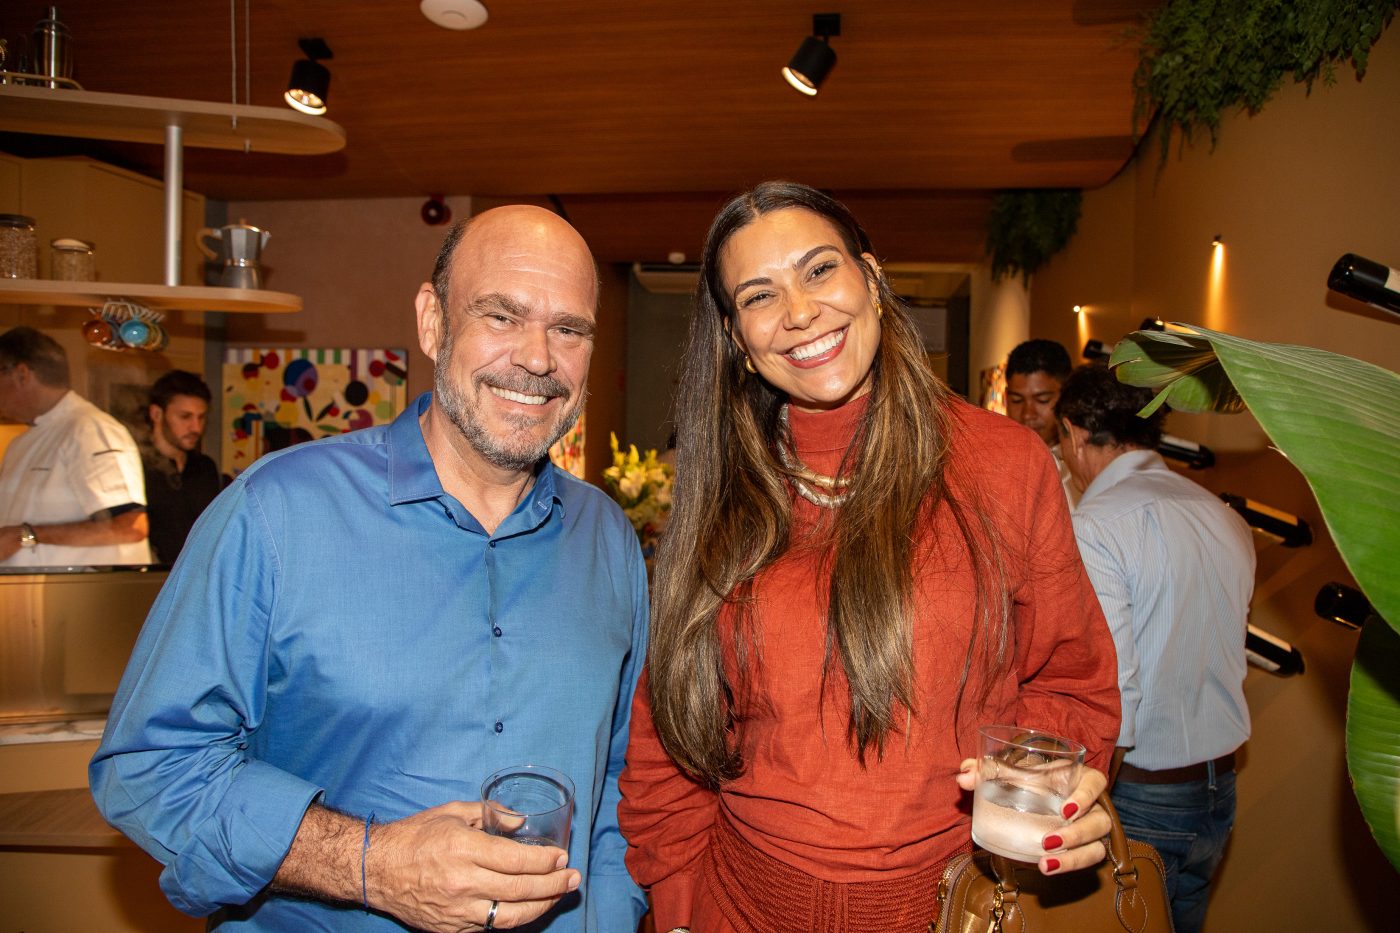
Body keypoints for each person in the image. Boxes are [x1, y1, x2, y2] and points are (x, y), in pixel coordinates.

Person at [91, 205, 649, 933]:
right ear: (431, 320)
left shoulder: (607, 536)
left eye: (568, 329)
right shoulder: (275, 513)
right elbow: (151, 767)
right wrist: (372, 862)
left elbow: (621, 781)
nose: (538, 359)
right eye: (502, 316)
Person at [617, 182, 1121, 933]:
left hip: (953, 910)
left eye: (819, 269)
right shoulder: (719, 490)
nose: (798, 312)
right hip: (738, 908)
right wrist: (683, 907)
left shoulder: (1004, 465)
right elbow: (669, 736)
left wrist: (1041, 785)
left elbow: (1073, 683)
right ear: (736, 340)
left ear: (873, 281)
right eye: (760, 295)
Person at [1054, 365, 1254, 933]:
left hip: (1141, 795)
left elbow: (1114, 687)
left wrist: (1087, 804)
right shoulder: (1222, 515)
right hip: (1219, 791)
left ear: (1073, 432)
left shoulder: (1096, 525)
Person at [0, 326, 151, 567]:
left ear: (22, 374)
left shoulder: (90, 430)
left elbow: (130, 526)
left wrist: (27, 535)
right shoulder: (20, 443)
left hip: (80, 599)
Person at [143, 369, 222, 564]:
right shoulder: (135, 466)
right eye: (185, 416)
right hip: (149, 582)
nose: (196, 427)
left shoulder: (205, 467)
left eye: (201, 417)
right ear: (156, 414)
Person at [1004, 338, 1077, 506]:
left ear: (1067, 395)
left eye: (1042, 400)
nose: (1028, 414)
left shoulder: (1083, 465)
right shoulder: (996, 463)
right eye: (1016, 400)